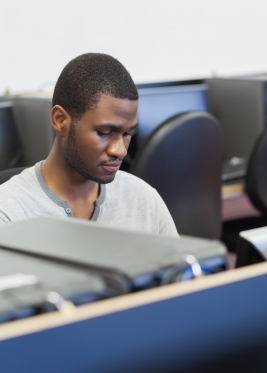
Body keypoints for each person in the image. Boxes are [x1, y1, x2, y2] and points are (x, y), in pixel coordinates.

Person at [0, 53, 178, 236]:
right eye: (105, 133)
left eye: (127, 134)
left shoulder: (144, 201)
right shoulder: (8, 213)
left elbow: (186, 265)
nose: (120, 150)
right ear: (60, 120)